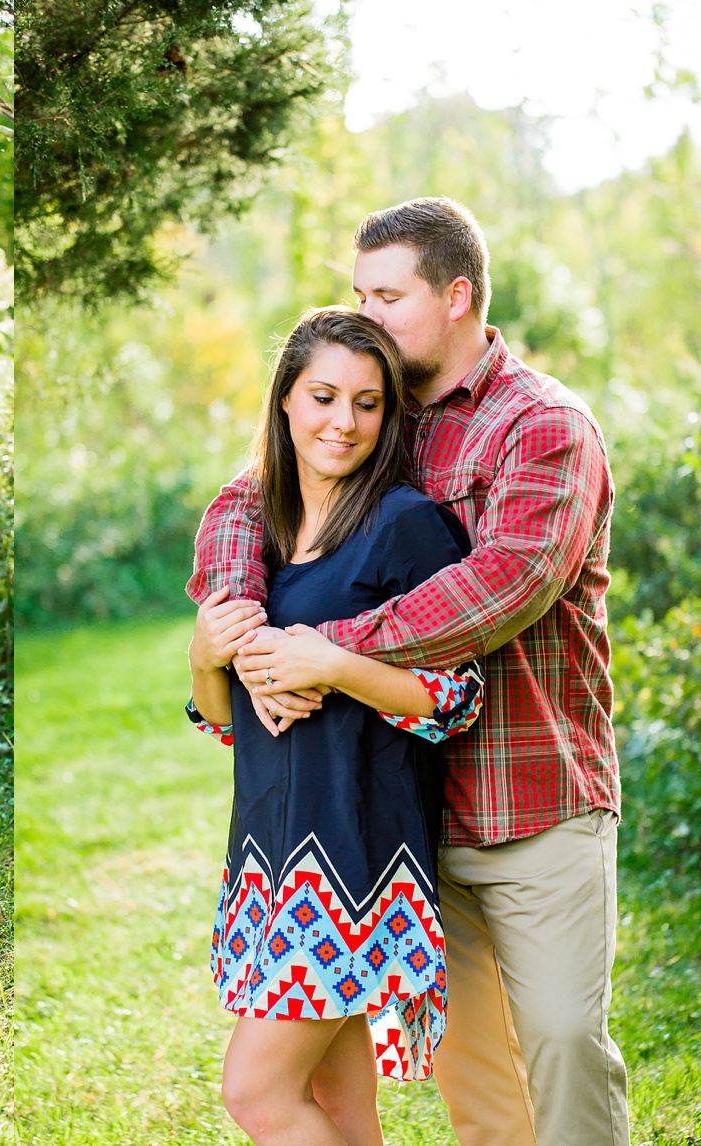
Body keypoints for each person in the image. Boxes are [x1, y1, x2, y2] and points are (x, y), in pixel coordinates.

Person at [191, 198, 624, 1146]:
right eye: (360, 295)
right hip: (410, 813)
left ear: (456, 294)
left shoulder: (541, 425)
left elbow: (507, 585)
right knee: (479, 1084)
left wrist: (330, 650)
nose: (369, 315)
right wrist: (241, 627)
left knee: (559, 1044)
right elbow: (254, 488)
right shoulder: (384, 416)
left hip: (529, 794)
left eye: (387, 296)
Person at [188, 306, 483, 1145]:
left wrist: (335, 663)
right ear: (284, 400)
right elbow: (229, 721)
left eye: (367, 403)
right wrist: (203, 658)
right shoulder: (264, 536)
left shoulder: (405, 525)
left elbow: (456, 699)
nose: (342, 423)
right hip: (273, 848)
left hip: (355, 863)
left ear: (390, 417)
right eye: (322, 396)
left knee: (256, 1093)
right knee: (340, 1101)